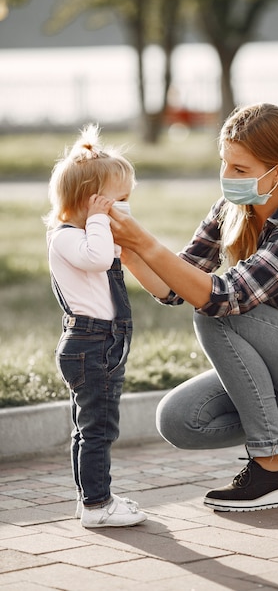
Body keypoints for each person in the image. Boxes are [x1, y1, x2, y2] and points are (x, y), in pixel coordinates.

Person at [110, 103, 278, 513]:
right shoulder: (230, 210)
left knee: (218, 313)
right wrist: (128, 252)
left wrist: (146, 241)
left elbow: (219, 298)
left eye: (240, 169)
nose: (227, 178)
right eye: (225, 164)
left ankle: (275, 466)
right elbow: (175, 287)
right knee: (180, 418)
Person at [45, 124, 147, 528]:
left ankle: (90, 496)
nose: (124, 207)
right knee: (98, 430)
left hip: (100, 342)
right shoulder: (66, 238)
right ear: (92, 202)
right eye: (118, 201)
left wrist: (106, 224)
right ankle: (97, 506)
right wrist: (102, 222)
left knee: (91, 427)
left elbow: (110, 257)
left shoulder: (88, 233)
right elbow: (100, 259)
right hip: (90, 343)